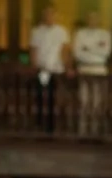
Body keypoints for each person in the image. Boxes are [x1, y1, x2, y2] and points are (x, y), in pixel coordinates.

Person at [30, 4, 72, 133]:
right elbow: (34, 50)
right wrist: (35, 65)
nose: (49, 17)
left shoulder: (62, 31)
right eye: (47, 14)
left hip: (57, 68)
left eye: (51, 14)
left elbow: (65, 50)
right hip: (43, 69)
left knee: (54, 96)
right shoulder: (37, 31)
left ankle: (51, 125)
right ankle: (39, 122)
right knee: (41, 95)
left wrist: (67, 66)